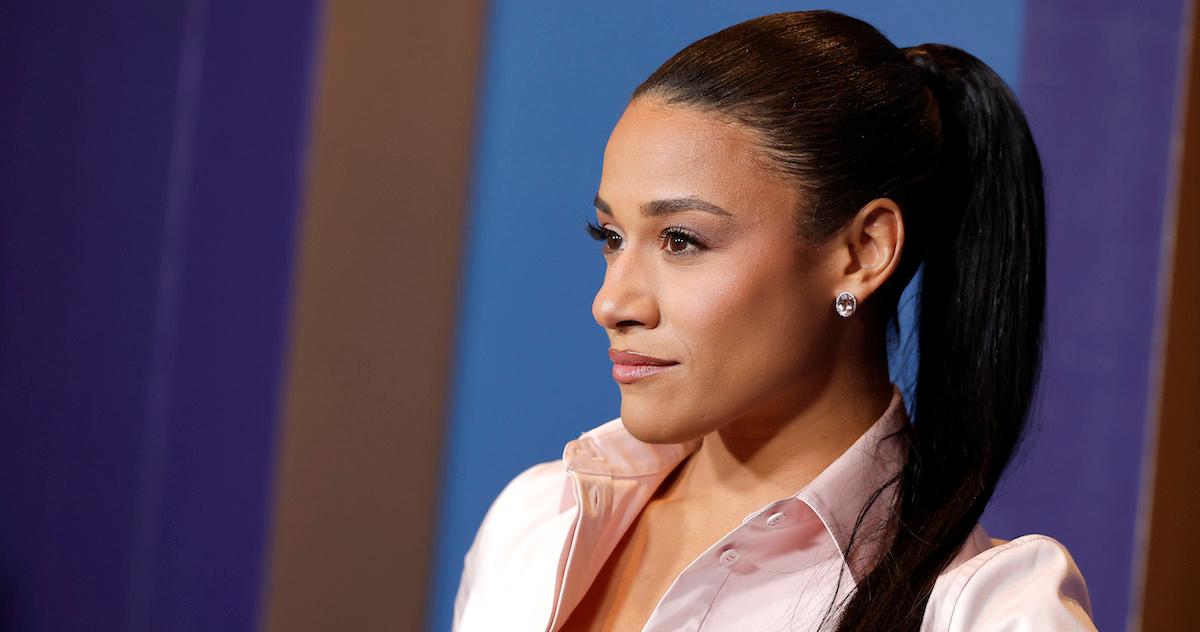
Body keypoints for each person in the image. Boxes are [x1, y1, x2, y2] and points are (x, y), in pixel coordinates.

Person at [452, 9, 1096, 632]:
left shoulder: (984, 614)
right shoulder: (535, 520)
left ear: (863, 252)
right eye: (612, 235)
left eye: (680, 240)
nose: (611, 303)